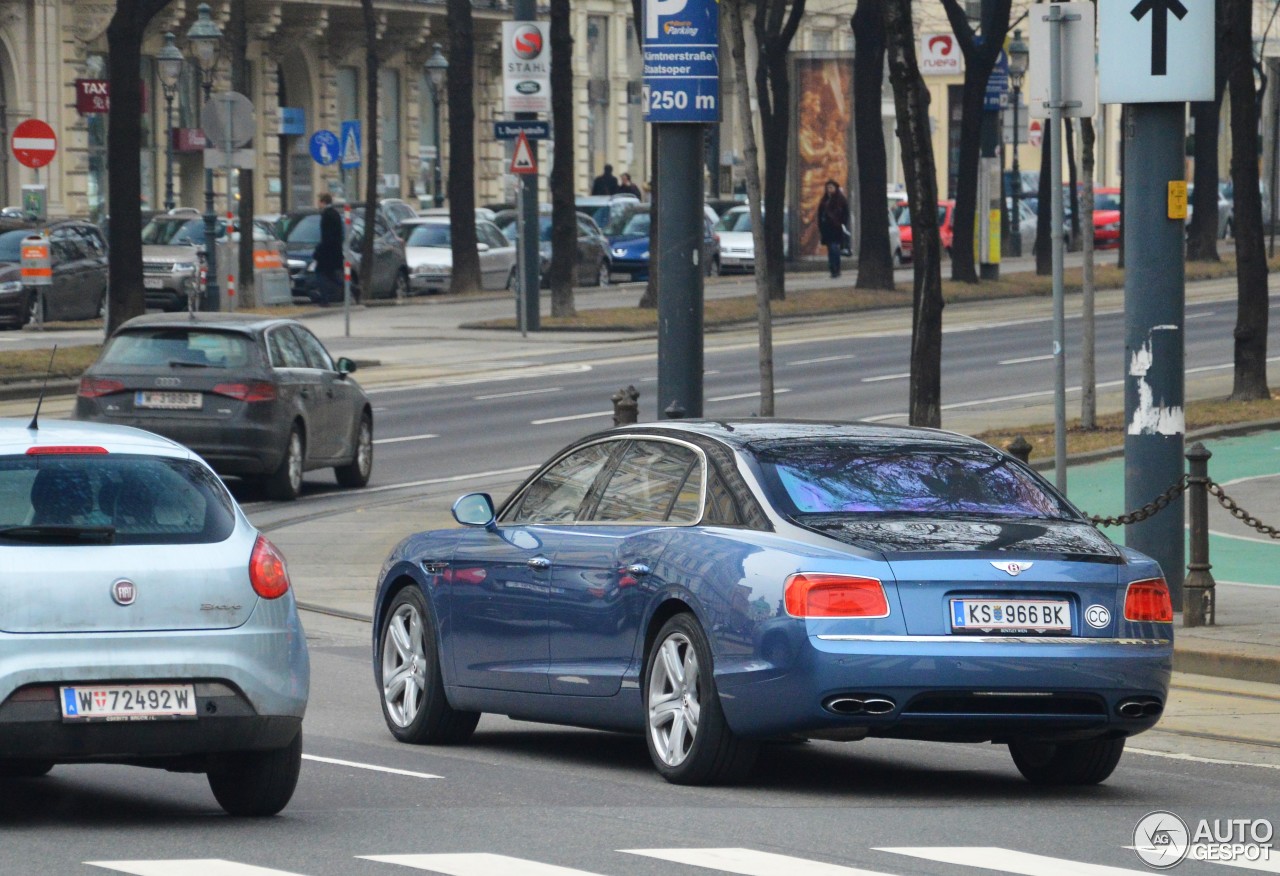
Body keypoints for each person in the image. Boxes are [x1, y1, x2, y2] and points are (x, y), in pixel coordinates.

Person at [312, 193, 344, 306]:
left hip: (327, 252)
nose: (318, 204)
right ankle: (352, 289)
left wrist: (318, 251)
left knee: (319, 273)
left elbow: (326, 236)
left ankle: (324, 300)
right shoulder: (335, 213)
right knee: (331, 275)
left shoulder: (327, 215)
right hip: (335, 251)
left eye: (319, 202)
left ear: (323, 202)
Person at [817, 180, 850, 278]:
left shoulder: (840, 199)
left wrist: (841, 223)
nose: (829, 190)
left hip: (836, 228)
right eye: (828, 188)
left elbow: (845, 213)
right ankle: (832, 268)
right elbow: (820, 213)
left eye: (831, 187)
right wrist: (821, 225)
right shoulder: (824, 200)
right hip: (827, 229)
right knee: (830, 249)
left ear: (835, 188)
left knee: (834, 248)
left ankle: (836, 269)